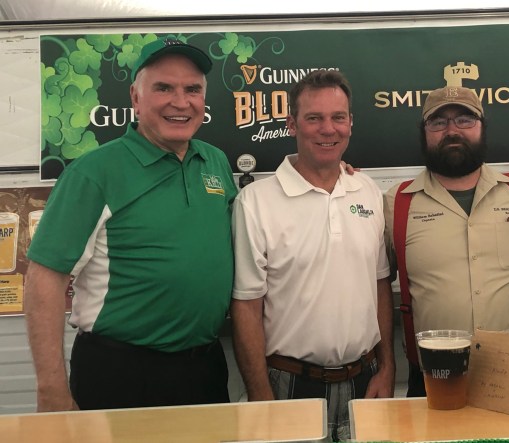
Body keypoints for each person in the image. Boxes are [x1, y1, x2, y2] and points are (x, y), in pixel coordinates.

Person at [24, 38, 237, 411]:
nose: (180, 101)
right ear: (136, 98)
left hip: (203, 368)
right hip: (120, 373)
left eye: (192, 89)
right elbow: (44, 280)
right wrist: (51, 391)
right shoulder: (93, 173)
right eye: (163, 88)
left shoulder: (215, 161)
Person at [230, 69, 395, 442]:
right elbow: (246, 306)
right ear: (291, 124)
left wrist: (387, 367)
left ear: (351, 123)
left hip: (365, 381)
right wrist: (260, 394)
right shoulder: (255, 202)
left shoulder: (366, 189)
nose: (328, 129)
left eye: (338, 117)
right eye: (314, 118)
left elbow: (380, 284)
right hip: (288, 384)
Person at [383, 86, 509, 397]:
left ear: (482, 126)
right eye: (438, 123)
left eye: (465, 120)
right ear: (423, 132)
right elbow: (373, 289)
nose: (452, 131)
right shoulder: (395, 204)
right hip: (434, 379)